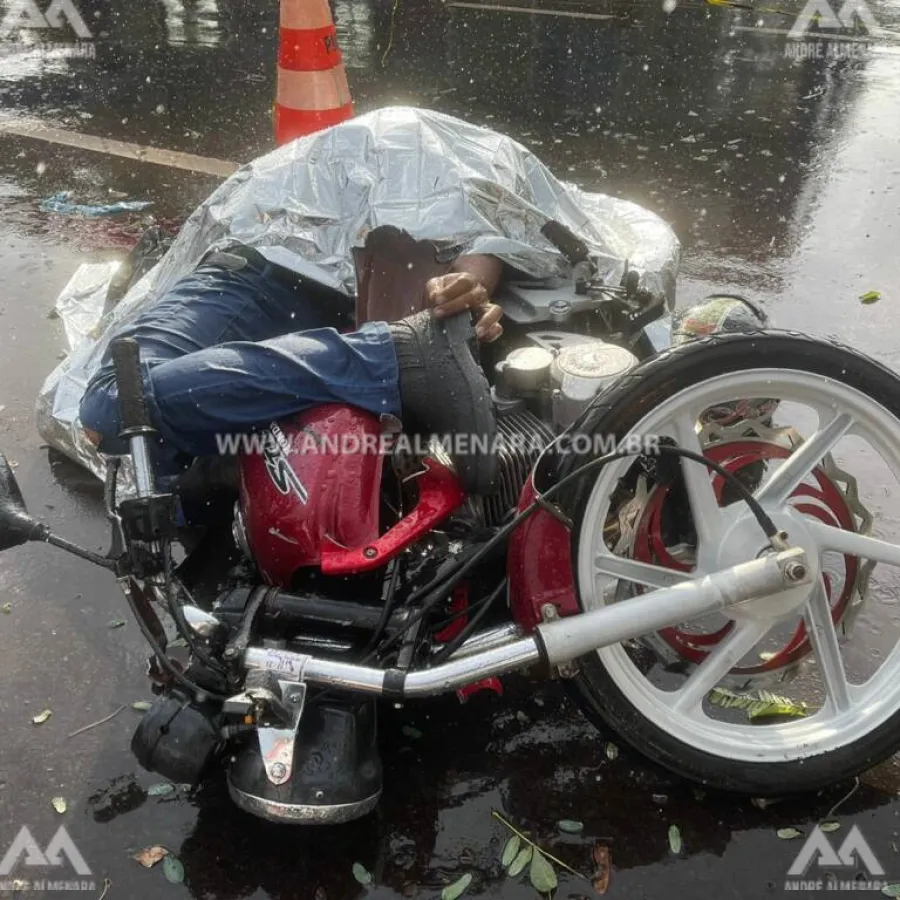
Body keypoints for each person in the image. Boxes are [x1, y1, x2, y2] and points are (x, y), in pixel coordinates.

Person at [79, 242, 506, 495]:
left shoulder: (478, 164)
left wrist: (468, 287)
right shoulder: (383, 139)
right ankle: (398, 356)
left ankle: (225, 468)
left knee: (147, 439)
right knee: (114, 406)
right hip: (255, 280)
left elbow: (492, 233)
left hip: (339, 312)